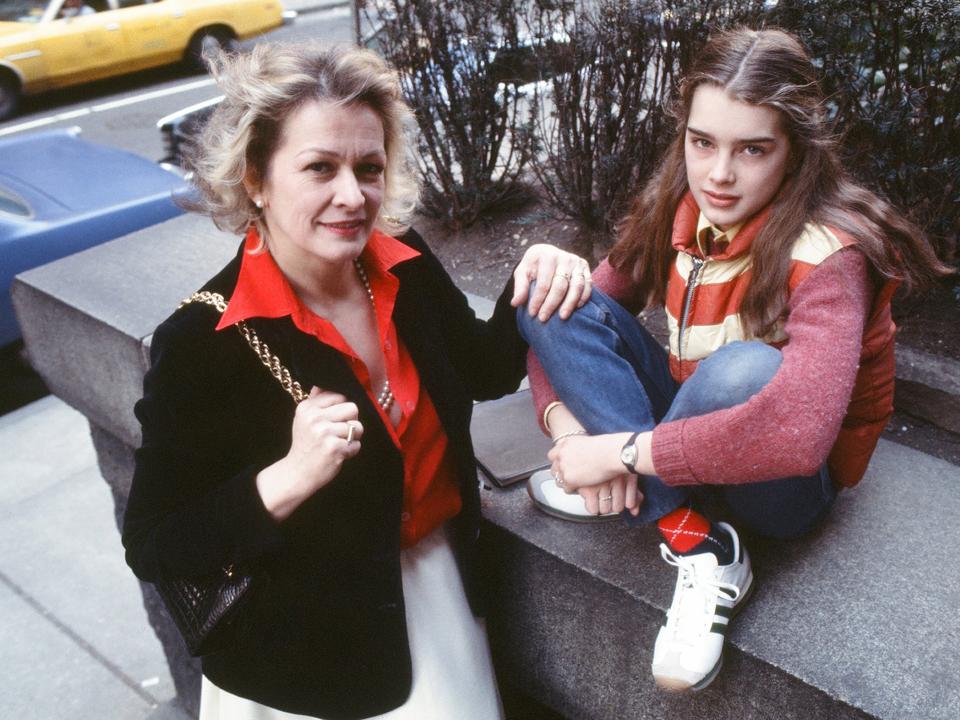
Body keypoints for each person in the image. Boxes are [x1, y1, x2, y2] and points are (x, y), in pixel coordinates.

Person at [122, 43, 590, 720]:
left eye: (368, 168)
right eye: (320, 167)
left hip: (439, 599)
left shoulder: (405, 264)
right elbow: (155, 542)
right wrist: (287, 478)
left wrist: (538, 272)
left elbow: (484, 370)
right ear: (256, 177)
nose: (353, 195)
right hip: (308, 660)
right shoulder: (202, 343)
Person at [518, 27, 950, 692]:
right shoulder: (681, 207)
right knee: (550, 290)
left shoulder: (829, 252)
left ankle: (705, 551)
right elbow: (571, 318)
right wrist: (572, 433)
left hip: (781, 486)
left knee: (742, 372)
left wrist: (621, 456)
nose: (719, 173)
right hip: (687, 440)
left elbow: (799, 436)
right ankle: (689, 527)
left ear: (795, 152)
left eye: (753, 149)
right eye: (703, 142)